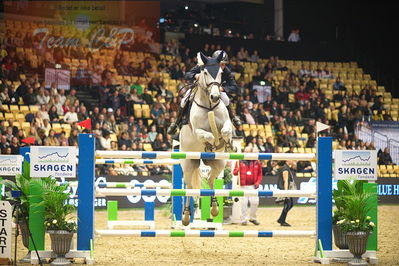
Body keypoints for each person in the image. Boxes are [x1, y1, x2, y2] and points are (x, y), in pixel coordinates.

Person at [167, 50, 241, 134]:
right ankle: (176, 123)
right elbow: (187, 74)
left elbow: (235, 87)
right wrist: (195, 75)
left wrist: (223, 89)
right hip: (200, 89)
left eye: (223, 64)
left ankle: (233, 117)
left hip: (216, 91)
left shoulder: (226, 71)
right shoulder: (203, 65)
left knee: (226, 99)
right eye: (220, 64)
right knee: (185, 99)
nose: (221, 67)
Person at [233, 146, 263, 225]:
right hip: (243, 186)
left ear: (251, 153)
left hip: (253, 186)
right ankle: (243, 220)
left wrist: (257, 182)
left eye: (248, 152)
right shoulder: (239, 161)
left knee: (255, 202)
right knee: (243, 203)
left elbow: (260, 174)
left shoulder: (257, 162)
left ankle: (253, 218)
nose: (246, 153)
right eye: (245, 151)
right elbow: (234, 173)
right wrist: (237, 170)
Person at [276, 160, 295, 226]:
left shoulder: (285, 167)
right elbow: (285, 180)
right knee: (288, 204)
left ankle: (281, 219)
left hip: (285, 188)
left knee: (289, 204)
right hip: (285, 189)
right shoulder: (285, 168)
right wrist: (286, 192)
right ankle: (282, 220)